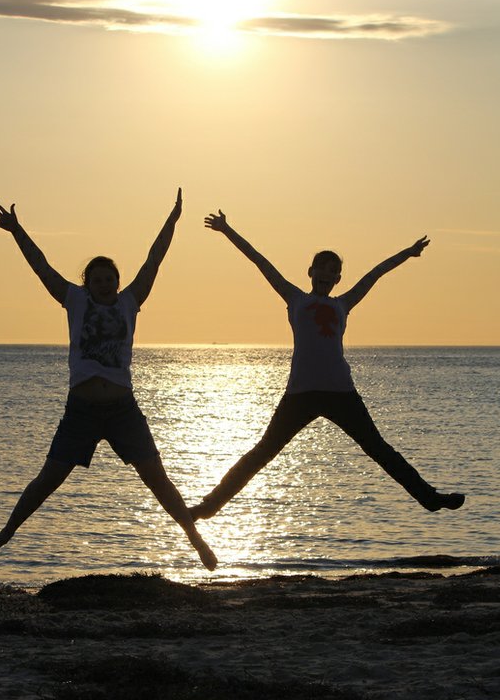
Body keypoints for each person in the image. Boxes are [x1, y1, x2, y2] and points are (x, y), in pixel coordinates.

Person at [0, 190, 217, 571]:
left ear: (118, 282)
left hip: (123, 409)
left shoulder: (129, 302)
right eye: (98, 279)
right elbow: (42, 268)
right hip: (82, 410)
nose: (105, 284)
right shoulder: (73, 299)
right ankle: (6, 533)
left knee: (158, 479)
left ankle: (197, 541)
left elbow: (154, 260)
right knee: (48, 479)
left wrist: (172, 221)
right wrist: (17, 230)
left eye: (111, 279)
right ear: (87, 282)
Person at [190, 210, 464, 521]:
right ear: (311, 271)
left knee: (379, 449)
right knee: (262, 453)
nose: (327, 275)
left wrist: (408, 253)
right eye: (322, 268)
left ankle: (429, 498)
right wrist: (227, 230)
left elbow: (375, 273)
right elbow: (260, 261)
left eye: (333, 271)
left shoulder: (342, 304)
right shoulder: (295, 299)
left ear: (337, 279)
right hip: (301, 394)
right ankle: (208, 506)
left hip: (340, 393)